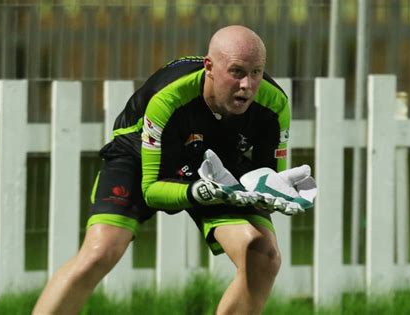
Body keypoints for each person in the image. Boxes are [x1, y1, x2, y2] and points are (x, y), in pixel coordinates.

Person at [33, 25, 298, 315]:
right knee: (99, 252)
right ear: (209, 67)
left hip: (215, 159)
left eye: (256, 72)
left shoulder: (274, 104)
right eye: (236, 72)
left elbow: (267, 180)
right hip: (141, 153)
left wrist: (276, 192)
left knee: (263, 256)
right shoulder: (168, 99)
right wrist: (197, 192)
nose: (247, 85)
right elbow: (152, 190)